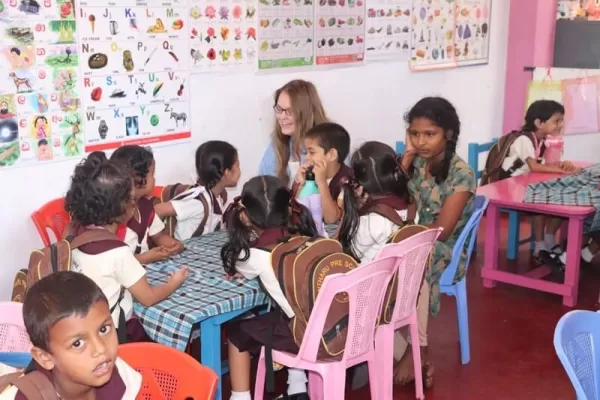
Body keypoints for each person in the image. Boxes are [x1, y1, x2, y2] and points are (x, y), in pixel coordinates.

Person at [395, 97, 476, 389]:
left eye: (430, 134)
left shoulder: (461, 173)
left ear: (449, 134)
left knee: (412, 263)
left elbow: (442, 230)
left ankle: (420, 347)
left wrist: (403, 236)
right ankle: (409, 353)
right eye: (415, 133)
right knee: (375, 263)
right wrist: (405, 160)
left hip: (445, 248)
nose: (421, 141)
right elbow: (396, 201)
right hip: (415, 238)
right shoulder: (416, 162)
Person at [65, 152, 188, 340]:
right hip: (112, 336)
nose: (134, 203)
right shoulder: (118, 252)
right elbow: (148, 298)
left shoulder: (74, 237)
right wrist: (174, 282)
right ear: (121, 208)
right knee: (158, 340)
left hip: (82, 329)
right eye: (131, 199)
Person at [221, 176, 317, 400]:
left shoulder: (256, 256)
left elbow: (236, 266)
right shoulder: (308, 237)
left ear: (246, 217)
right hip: (336, 326)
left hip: (307, 337)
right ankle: (297, 387)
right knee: (284, 313)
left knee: (237, 333)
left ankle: (241, 397)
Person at [0, 271, 142, 399]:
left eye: (103, 330)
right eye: (77, 343)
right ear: (45, 357)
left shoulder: (121, 374)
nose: (101, 349)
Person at [506, 100, 580, 260]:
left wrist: (561, 164)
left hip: (527, 184)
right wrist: (559, 170)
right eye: (556, 121)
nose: (560, 125)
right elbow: (534, 166)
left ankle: (549, 238)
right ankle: (539, 245)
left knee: (563, 198)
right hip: (510, 188)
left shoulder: (545, 140)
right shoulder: (524, 139)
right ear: (539, 123)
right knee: (540, 200)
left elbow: (548, 164)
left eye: (561, 121)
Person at [336, 141, 409, 262]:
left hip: (365, 279)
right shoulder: (411, 208)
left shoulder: (369, 223)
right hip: (399, 278)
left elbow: (340, 254)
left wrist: (347, 214)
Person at [154, 141, 241, 241]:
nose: (240, 170)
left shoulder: (219, 196)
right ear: (227, 172)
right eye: (237, 165)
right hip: (183, 253)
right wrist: (160, 239)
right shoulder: (198, 203)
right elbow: (157, 210)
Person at [110, 145, 184, 263]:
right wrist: (143, 258)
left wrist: (173, 244)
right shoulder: (114, 215)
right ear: (138, 179)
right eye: (152, 174)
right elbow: (111, 261)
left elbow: (158, 235)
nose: (155, 179)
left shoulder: (146, 207)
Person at [258, 80, 329, 186]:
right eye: (279, 109)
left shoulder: (330, 146)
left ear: (306, 113)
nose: (281, 117)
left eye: (289, 111)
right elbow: (263, 187)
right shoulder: (277, 146)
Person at [293, 122, 352, 224]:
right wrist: (301, 185)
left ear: (332, 155)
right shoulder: (310, 175)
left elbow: (331, 219)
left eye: (312, 152)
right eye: (305, 152)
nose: (307, 157)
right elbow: (295, 213)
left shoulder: (347, 182)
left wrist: (322, 183)